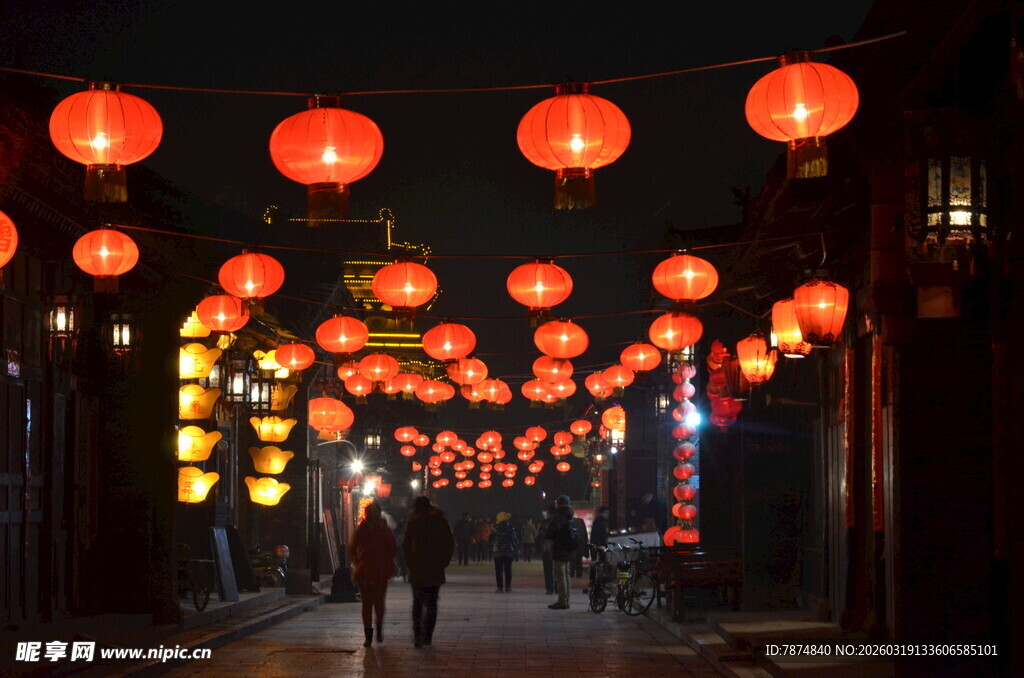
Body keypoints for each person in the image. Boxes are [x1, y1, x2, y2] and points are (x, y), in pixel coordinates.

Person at [403, 496, 455, 648]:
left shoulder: (413, 522)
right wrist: (443, 562)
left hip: (418, 566)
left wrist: (409, 563)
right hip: (434, 567)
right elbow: (450, 544)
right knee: (432, 602)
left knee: (418, 602)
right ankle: (427, 635)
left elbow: (406, 545)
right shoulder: (441, 521)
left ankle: (418, 634)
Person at [348, 500, 397, 647]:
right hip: (365, 571)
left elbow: (392, 548)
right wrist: (357, 561)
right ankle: (368, 634)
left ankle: (379, 627)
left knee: (378, 603)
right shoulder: (362, 529)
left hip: (379, 571)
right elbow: (352, 547)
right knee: (368, 604)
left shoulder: (384, 529)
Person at [544, 495, 577, 609]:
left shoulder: (558, 517)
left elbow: (550, 532)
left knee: (560, 576)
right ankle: (566, 599)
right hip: (569, 550)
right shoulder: (570, 515)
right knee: (567, 576)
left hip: (559, 549)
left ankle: (562, 600)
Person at [488, 512, 520, 592]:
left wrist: (490, 548)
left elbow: (490, 539)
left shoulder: (494, 528)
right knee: (508, 570)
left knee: (498, 570)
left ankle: (499, 587)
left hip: (497, 551)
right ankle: (508, 587)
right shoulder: (510, 528)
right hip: (508, 551)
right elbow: (514, 540)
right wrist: (517, 549)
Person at [588, 506, 610, 592]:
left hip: (598, 546)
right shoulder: (600, 522)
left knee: (598, 564)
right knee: (599, 564)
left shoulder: (601, 521)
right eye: (606, 513)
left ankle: (596, 581)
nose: (608, 515)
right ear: (602, 513)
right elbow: (599, 536)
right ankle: (596, 582)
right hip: (599, 546)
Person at [537, 504, 556, 595]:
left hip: (546, 547)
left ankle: (549, 588)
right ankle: (557, 587)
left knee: (548, 569)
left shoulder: (544, 522)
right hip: (557, 547)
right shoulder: (560, 521)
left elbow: (539, 535)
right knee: (558, 569)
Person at [570, 513, 589, 578]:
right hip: (579, 543)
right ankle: (579, 573)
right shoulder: (580, 521)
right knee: (579, 559)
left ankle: (571, 573)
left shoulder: (567, 522)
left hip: (571, 544)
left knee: (571, 560)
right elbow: (584, 534)